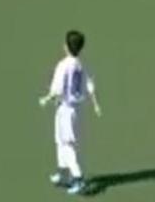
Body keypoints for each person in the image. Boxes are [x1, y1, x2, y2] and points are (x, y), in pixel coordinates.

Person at [39, 30, 102, 196]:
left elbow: (57, 90)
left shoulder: (63, 65)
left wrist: (45, 99)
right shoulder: (81, 64)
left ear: (67, 46)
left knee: (67, 145)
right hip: (74, 110)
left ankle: (78, 178)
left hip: (66, 110)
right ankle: (62, 173)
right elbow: (90, 85)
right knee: (60, 141)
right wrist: (96, 104)